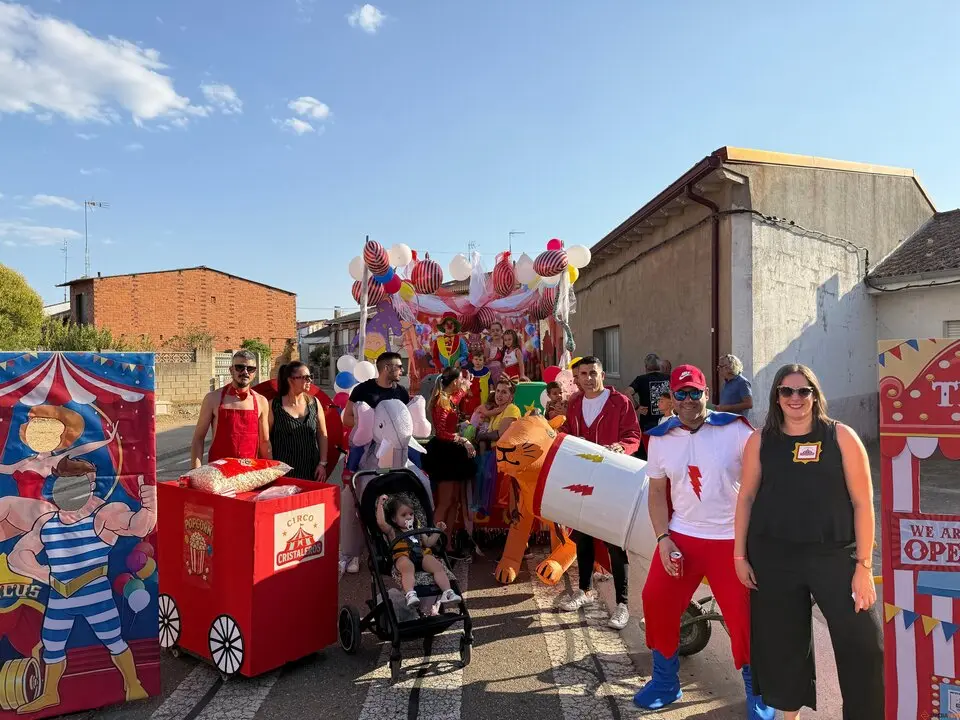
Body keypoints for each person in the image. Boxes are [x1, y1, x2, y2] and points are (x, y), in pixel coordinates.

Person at [733, 365, 882, 719]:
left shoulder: (840, 437)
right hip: (774, 555)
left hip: (834, 554)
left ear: (815, 395)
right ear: (776, 397)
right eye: (787, 391)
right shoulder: (760, 441)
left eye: (803, 391)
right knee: (784, 643)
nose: (795, 399)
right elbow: (747, 498)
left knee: (864, 643)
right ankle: (789, 716)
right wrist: (740, 555)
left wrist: (864, 565)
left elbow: (863, 503)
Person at [634, 364, 772, 719]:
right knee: (656, 599)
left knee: (744, 618)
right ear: (671, 398)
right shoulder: (661, 438)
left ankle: (758, 691)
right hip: (683, 535)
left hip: (731, 539)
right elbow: (657, 493)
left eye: (696, 392)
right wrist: (663, 538)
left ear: (706, 393)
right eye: (681, 394)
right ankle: (666, 682)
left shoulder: (736, 429)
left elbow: (762, 482)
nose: (689, 400)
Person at [558, 357, 641, 631]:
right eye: (583, 374)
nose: (589, 378)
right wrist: (566, 438)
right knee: (582, 537)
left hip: (612, 481)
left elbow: (633, 435)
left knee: (615, 544)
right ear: (577, 378)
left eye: (593, 373)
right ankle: (583, 590)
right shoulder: (574, 404)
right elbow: (567, 432)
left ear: (602, 375)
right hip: (583, 480)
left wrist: (622, 446)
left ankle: (622, 604)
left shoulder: (620, 403)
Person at [423, 368, 476, 550]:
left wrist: (468, 381)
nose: (461, 384)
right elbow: (442, 432)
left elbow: (460, 394)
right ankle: (433, 544)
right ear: (453, 382)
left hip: (453, 453)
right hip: (445, 454)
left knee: (454, 501)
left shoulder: (450, 398)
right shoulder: (441, 401)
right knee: (445, 501)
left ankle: (448, 543)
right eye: (460, 380)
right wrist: (463, 439)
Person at [376, 494, 461, 608]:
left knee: (437, 565)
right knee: (407, 567)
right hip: (402, 555)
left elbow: (428, 543)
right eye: (403, 515)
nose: (409, 517)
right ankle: (410, 594)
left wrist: (437, 531)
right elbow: (381, 523)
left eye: (411, 514)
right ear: (394, 519)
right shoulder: (392, 530)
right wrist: (380, 504)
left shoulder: (418, 528)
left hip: (421, 555)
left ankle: (448, 592)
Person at [191, 350, 270, 467]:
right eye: (240, 367)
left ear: (255, 372)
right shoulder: (213, 398)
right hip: (218, 472)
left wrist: (269, 472)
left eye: (250, 369)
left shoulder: (261, 401)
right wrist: (194, 471)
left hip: (249, 473)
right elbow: (198, 438)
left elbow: (264, 442)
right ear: (231, 370)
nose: (245, 372)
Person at [268, 361, 328, 481]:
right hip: (283, 472)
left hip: (312, 470)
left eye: (310, 377)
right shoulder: (273, 405)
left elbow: (322, 434)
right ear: (290, 380)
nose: (309, 380)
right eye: (305, 377)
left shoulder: (314, 403)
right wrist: (271, 467)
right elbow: (265, 439)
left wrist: (322, 463)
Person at [628, 354, 671, 456]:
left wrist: (637, 407)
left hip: (648, 424)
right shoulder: (669, 378)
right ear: (659, 366)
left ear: (646, 367)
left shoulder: (640, 379)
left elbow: (627, 392)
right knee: (666, 454)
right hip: (667, 423)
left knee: (647, 455)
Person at [716, 354, 754, 419]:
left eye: (721, 366)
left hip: (738, 423)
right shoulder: (725, 383)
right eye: (718, 367)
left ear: (730, 367)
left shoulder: (742, 382)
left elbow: (749, 404)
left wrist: (728, 407)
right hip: (726, 422)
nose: (719, 369)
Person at [461, 349, 491, 419]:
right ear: (472, 360)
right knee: (472, 408)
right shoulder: (469, 371)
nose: (478, 361)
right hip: (473, 394)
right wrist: (468, 390)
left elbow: (490, 381)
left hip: (484, 394)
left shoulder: (486, 371)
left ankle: (482, 420)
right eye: (476, 359)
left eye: (480, 360)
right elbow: (465, 382)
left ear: (483, 362)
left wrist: (492, 390)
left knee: (483, 406)